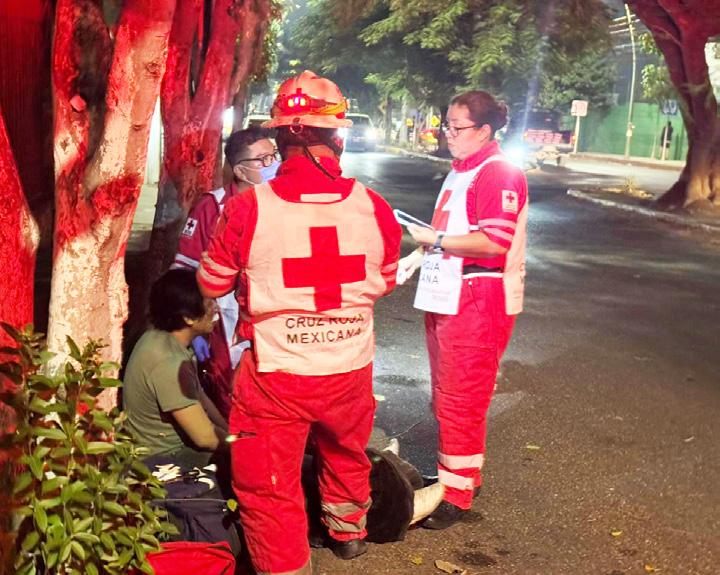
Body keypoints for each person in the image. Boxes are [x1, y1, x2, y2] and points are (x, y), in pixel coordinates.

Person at [197, 70, 401, 575]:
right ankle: (348, 532)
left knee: (267, 480)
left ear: (281, 141)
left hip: (276, 373)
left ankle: (287, 566)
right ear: (338, 137)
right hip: (350, 365)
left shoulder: (247, 208)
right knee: (346, 449)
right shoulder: (373, 207)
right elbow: (386, 281)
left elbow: (211, 283)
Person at [397, 90, 528, 530]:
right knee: (447, 393)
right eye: (446, 125)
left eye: (457, 127)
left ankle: (455, 495)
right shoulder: (461, 171)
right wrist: (415, 258)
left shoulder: (498, 173)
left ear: (484, 131)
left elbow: (494, 241)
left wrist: (434, 241)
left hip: (478, 296)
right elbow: (446, 233)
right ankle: (460, 477)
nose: (447, 134)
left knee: (461, 397)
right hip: (448, 292)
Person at [172, 127, 279, 419]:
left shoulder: (283, 203)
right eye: (263, 159)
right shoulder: (212, 207)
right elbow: (184, 269)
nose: (272, 164)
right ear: (241, 171)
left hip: (274, 324)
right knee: (232, 406)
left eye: (274, 155)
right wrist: (194, 328)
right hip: (224, 327)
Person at [123, 269, 228, 466]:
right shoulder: (169, 363)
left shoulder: (162, 338)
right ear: (188, 318)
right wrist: (243, 446)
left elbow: (200, 395)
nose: (216, 309)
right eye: (209, 304)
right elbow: (205, 437)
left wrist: (230, 432)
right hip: (162, 460)